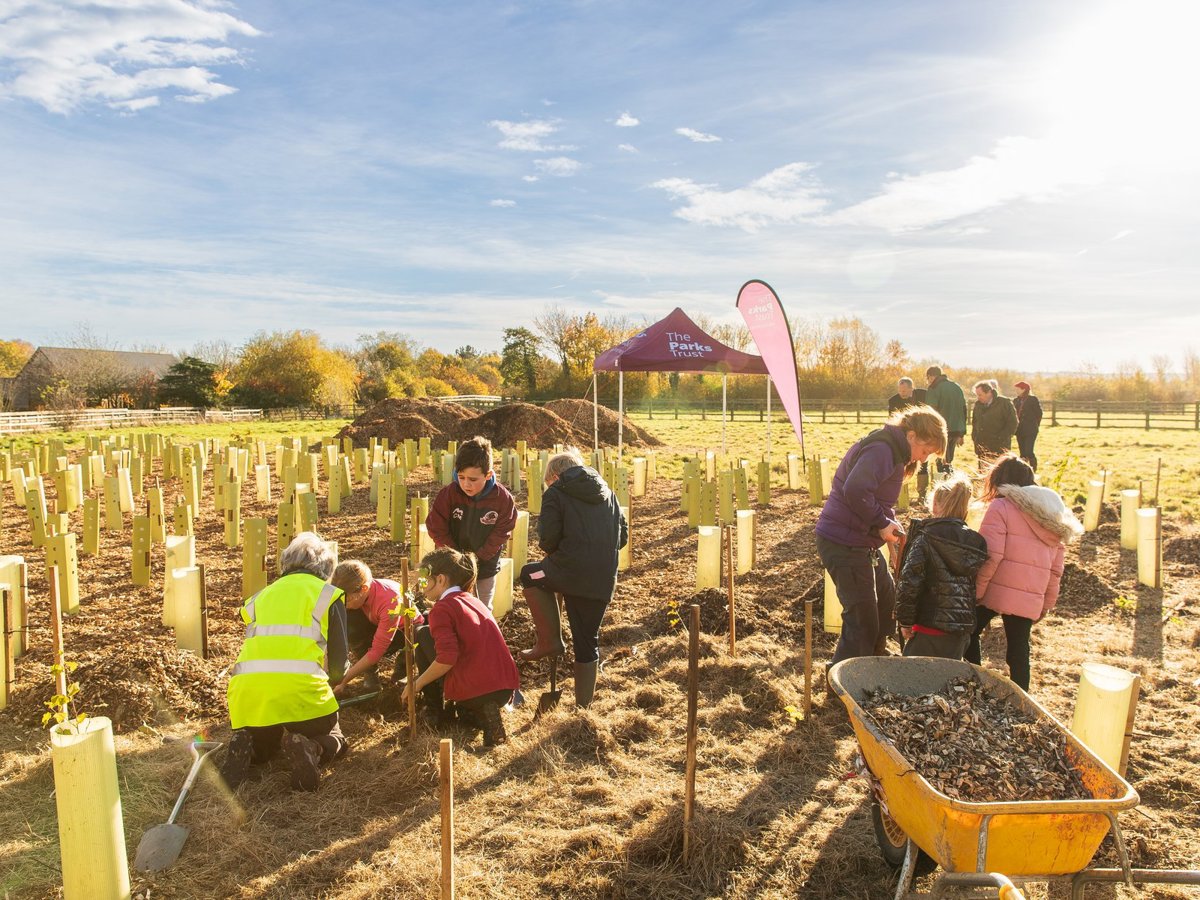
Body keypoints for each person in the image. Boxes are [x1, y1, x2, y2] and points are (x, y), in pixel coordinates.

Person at [816, 407, 947, 664]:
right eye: (925, 451)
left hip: (862, 542)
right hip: (844, 542)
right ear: (912, 436)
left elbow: (876, 499)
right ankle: (842, 681)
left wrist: (890, 525)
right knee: (862, 618)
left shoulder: (894, 453)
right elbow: (856, 490)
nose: (924, 458)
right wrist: (880, 522)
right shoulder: (882, 450)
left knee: (886, 604)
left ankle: (875, 661)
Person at [223, 532, 349, 791]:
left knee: (267, 742)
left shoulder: (259, 598)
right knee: (335, 737)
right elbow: (338, 665)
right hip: (301, 690)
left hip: (248, 693)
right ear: (327, 566)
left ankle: (251, 747)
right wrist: (338, 682)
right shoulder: (328, 595)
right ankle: (313, 747)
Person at [518, 449, 628, 708]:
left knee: (529, 574)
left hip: (565, 572)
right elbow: (622, 539)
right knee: (587, 638)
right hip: (602, 580)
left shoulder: (555, 492)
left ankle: (549, 641)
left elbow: (548, 540)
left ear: (554, 476)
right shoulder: (609, 494)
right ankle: (583, 707)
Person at [965, 455, 1082, 691]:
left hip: (996, 589)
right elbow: (1056, 568)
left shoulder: (1001, 507)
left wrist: (977, 590)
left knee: (969, 631)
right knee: (1019, 650)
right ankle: (1022, 699)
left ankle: (973, 683)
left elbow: (991, 555)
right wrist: (1046, 604)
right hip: (1030, 594)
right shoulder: (1053, 514)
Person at [403, 547, 519, 747]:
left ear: (440, 580)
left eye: (423, 579)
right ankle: (475, 711)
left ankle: (436, 710)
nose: (420, 586)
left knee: (422, 633)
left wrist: (417, 683)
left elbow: (447, 658)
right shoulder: (473, 600)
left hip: (475, 687)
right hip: (504, 686)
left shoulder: (443, 609)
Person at [895, 474, 989, 660]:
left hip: (927, 626)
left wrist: (905, 621)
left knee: (910, 682)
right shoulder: (975, 543)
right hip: (959, 631)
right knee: (947, 683)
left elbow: (910, 583)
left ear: (936, 505)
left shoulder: (926, 538)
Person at [426, 436, 517, 610]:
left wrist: (478, 557)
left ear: (488, 474)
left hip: (485, 565)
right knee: (448, 607)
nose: (466, 484)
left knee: (481, 608)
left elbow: (502, 532)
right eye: (461, 477)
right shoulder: (449, 494)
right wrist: (456, 557)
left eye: (473, 479)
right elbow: (436, 527)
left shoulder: (502, 499)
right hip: (450, 564)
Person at [330, 560, 420, 696]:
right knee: (349, 619)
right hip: (375, 622)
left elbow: (377, 651)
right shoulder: (358, 596)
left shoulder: (389, 601)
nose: (345, 605)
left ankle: (402, 667)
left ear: (364, 589)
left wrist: (344, 680)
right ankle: (370, 672)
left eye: (347, 600)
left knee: (413, 640)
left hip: (403, 632)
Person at [888, 377, 930, 501]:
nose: (902, 393)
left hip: (922, 434)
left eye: (905, 390)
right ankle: (899, 495)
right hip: (903, 436)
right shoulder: (894, 400)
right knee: (901, 464)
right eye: (900, 390)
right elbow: (892, 420)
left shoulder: (923, 395)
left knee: (923, 464)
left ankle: (922, 494)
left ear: (912, 388)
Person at [924, 366, 967, 472]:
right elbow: (963, 409)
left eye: (928, 378)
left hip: (941, 430)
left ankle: (943, 484)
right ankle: (949, 480)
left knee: (940, 460)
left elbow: (931, 411)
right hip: (956, 429)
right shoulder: (956, 387)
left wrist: (928, 430)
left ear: (931, 376)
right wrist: (961, 433)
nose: (928, 381)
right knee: (949, 460)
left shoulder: (934, 388)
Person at [971, 380, 1018, 464]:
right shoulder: (978, 405)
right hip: (982, 446)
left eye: (980, 395)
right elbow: (975, 423)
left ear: (989, 392)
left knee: (999, 472)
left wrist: (1001, 437)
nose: (978, 397)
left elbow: (1012, 423)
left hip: (999, 447)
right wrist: (975, 437)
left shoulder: (1004, 403)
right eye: (977, 395)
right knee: (983, 473)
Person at [1013, 381, 1043, 471]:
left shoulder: (1032, 400)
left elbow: (1039, 413)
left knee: (1028, 451)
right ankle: (1023, 470)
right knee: (1022, 452)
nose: (1016, 391)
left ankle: (1033, 469)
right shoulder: (1016, 400)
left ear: (1023, 389)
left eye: (1018, 389)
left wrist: (1034, 425)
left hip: (1030, 430)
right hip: (1019, 430)